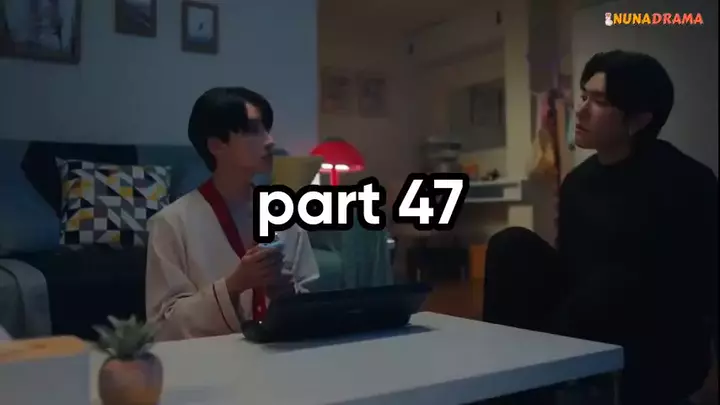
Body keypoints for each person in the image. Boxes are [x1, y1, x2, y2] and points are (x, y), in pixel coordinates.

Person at [483, 50, 717, 405]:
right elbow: (570, 265)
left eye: (600, 102)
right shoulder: (578, 182)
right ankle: (505, 380)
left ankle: (549, 373)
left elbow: (703, 284)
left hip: (657, 334)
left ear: (639, 120)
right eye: (583, 96)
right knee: (510, 244)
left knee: (613, 279)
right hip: (580, 319)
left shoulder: (687, 181)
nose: (580, 111)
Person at [146, 87, 319, 341]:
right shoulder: (170, 223)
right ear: (217, 145)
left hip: (283, 354)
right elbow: (163, 326)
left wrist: (286, 293)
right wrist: (233, 285)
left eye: (266, 128)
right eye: (252, 130)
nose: (270, 141)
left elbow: (311, 301)